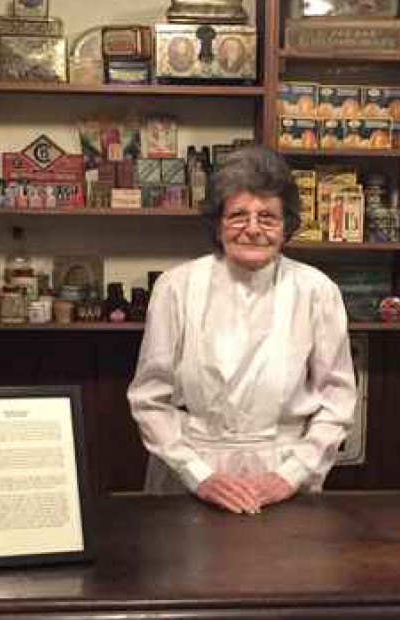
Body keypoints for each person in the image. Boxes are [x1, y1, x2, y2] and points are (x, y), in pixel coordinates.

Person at [127, 146, 357, 514]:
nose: (252, 229)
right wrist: (199, 475)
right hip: (189, 479)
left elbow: (338, 399)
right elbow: (149, 399)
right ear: (217, 224)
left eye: (267, 217)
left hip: (283, 479)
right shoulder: (175, 287)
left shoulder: (317, 291)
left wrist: (290, 475)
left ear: (287, 226)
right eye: (238, 216)